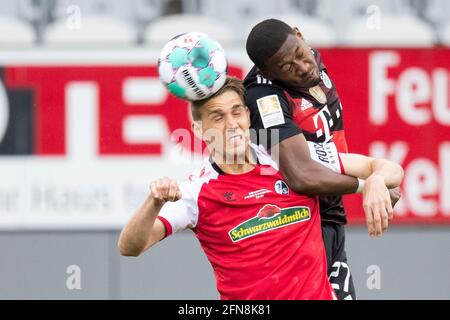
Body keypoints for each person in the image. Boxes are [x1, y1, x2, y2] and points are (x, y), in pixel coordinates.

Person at [118, 77, 403, 300]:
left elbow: (388, 168)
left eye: (236, 112)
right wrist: (153, 202)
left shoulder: (290, 158)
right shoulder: (196, 192)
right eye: (217, 117)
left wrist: (374, 182)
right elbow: (130, 246)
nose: (231, 125)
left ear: (248, 116)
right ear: (197, 129)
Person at [243, 18, 401, 299]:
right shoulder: (264, 96)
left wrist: (376, 179)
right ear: (268, 71)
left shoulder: (311, 60)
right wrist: (368, 185)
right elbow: (301, 175)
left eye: (300, 55)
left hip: (330, 216)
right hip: (297, 225)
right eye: (288, 68)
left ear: (300, 35)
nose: (303, 68)